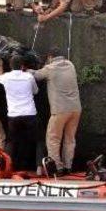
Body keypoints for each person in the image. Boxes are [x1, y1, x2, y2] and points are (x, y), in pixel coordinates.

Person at [32, 47, 81, 175]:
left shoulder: (50, 68)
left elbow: (36, 75)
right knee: (70, 139)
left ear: (50, 57)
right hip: (75, 108)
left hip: (60, 110)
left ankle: (57, 167)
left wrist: (26, 70)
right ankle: (68, 166)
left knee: (53, 138)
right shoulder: (71, 65)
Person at [0, 54, 42, 171]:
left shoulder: (6, 77)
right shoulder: (28, 77)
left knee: (11, 141)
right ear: (22, 66)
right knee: (38, 140)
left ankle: (6, 167)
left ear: (10, 66)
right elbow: (36, 91)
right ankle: (39, 167)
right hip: (30, 113)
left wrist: (0, 65)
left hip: (13, 115)